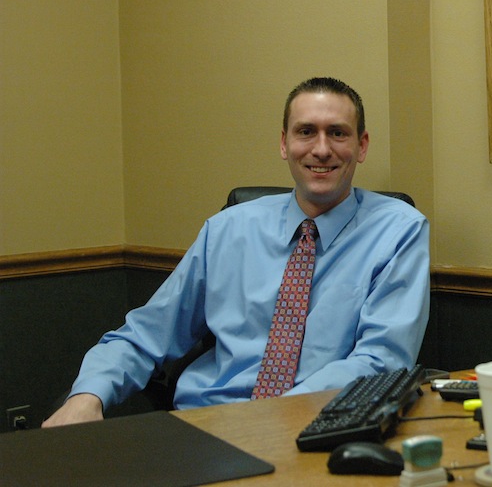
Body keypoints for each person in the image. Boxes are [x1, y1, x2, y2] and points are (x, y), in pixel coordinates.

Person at [43, 77, 430, 427]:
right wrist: (88, 396)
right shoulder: (226, 229)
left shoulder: (399, 230)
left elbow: (381, 361)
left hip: (320, 426)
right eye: (306, 132)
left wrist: (268, 419)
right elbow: (145, 336)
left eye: (338, 133)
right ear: (284, 143)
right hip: (207, 426)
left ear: (361, 146)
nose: (322, 149)